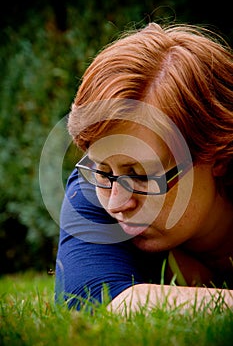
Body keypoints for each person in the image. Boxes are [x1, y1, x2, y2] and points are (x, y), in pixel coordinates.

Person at [55, 22, 233, 313]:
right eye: (103, 170)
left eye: (140, 175)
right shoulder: (93, 187)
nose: (116, 203)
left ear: (219, 157)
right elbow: (91, 298)